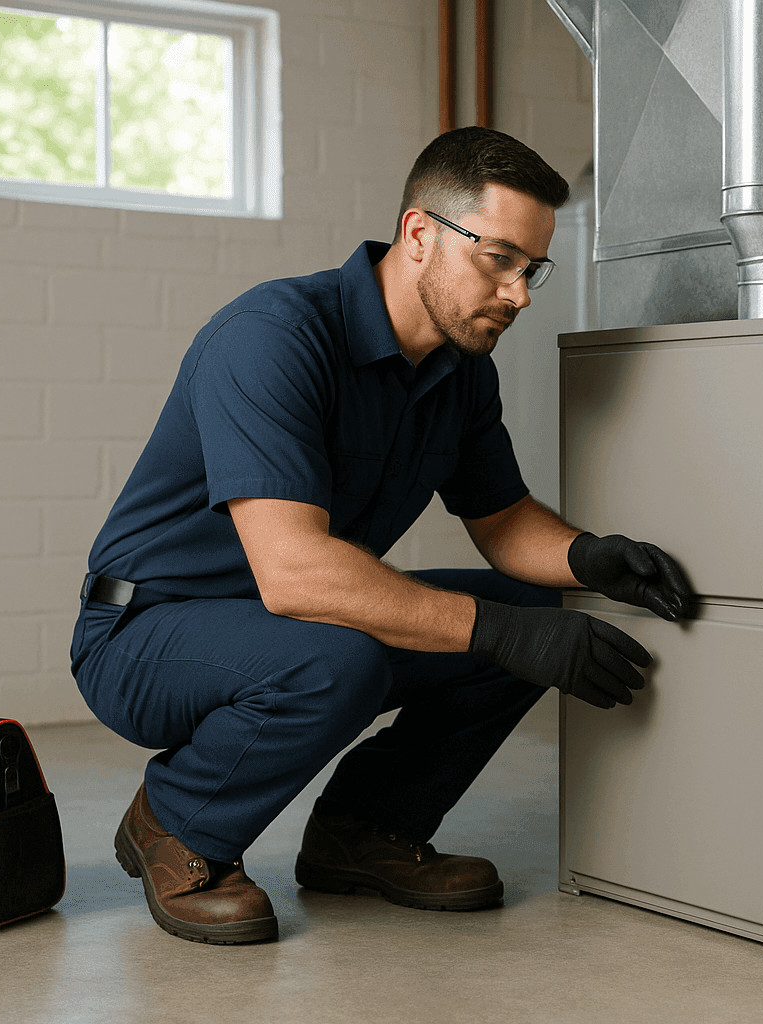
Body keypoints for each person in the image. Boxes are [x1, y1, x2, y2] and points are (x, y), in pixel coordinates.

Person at [71, 126, 691, 945]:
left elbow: (502, 522)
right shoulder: (274, 336)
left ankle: (362, 832)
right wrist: (508, 634)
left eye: (532, 268)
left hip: (287, 620)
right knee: (354, 657)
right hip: (147, 631)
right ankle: (178, 824)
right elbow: (294, 574)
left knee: (529, 603)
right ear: (419, 234)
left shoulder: (462, 370)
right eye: (499, 259)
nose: (520, 295)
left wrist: (586, 559)